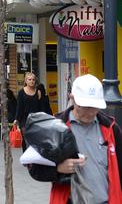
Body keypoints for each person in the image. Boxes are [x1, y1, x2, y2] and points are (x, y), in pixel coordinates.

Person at [28, 74, 122, 203]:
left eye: (94, 107)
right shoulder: (55, 127)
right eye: (85, 107)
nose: (90, 112)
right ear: (72, 98)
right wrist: (58, 169)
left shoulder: (111, 128)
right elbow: (35, 169)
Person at [14, 72, 43, 149]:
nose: (32, 81)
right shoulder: (21, 92)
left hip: (35, 119)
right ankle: (26, 158)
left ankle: (32, 158)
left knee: (34, 141)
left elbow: (41, 108)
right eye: (29, 79)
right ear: (26, 81)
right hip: (24, 119)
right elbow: (19, 107)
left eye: (33, 79)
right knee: (26, 140)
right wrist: (16, 119)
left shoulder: (38, 92)